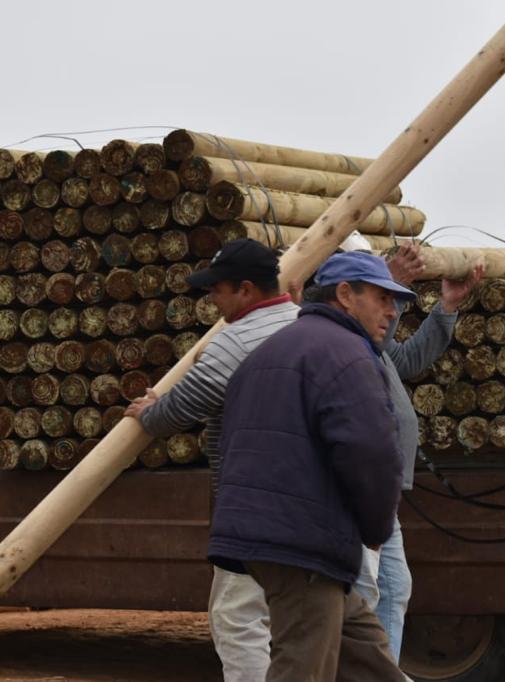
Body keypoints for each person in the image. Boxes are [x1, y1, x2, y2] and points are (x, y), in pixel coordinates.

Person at [210, 251, 417, 682]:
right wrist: (376, 529)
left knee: (367, 657)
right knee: (303, 666)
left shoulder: (271, 351)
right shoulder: (348, 355)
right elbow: (371, 455)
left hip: (275, 536)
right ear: (345, 294)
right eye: (382, 297)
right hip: (304, 545)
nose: (392, 310)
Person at [123, 238, 298, 682]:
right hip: (310, 503)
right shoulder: (308, 324)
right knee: (311, 625)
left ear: (244, 289)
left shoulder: (234, 341)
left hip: (252, 505)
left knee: (237, 620)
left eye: (216, 290)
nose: (211, 300)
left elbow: (180, 410)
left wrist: (150, 412)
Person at [348, 245, 483, 663]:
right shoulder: (344, 338)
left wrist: (446, 307)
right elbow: (369, 346)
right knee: (368, 592)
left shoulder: (372, 340)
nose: (389, 308)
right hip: (361, 487)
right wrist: (397, 284)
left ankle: (379, 673)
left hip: (381, 490)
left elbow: (405, 359)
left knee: (392, 587)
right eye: (382, 297)